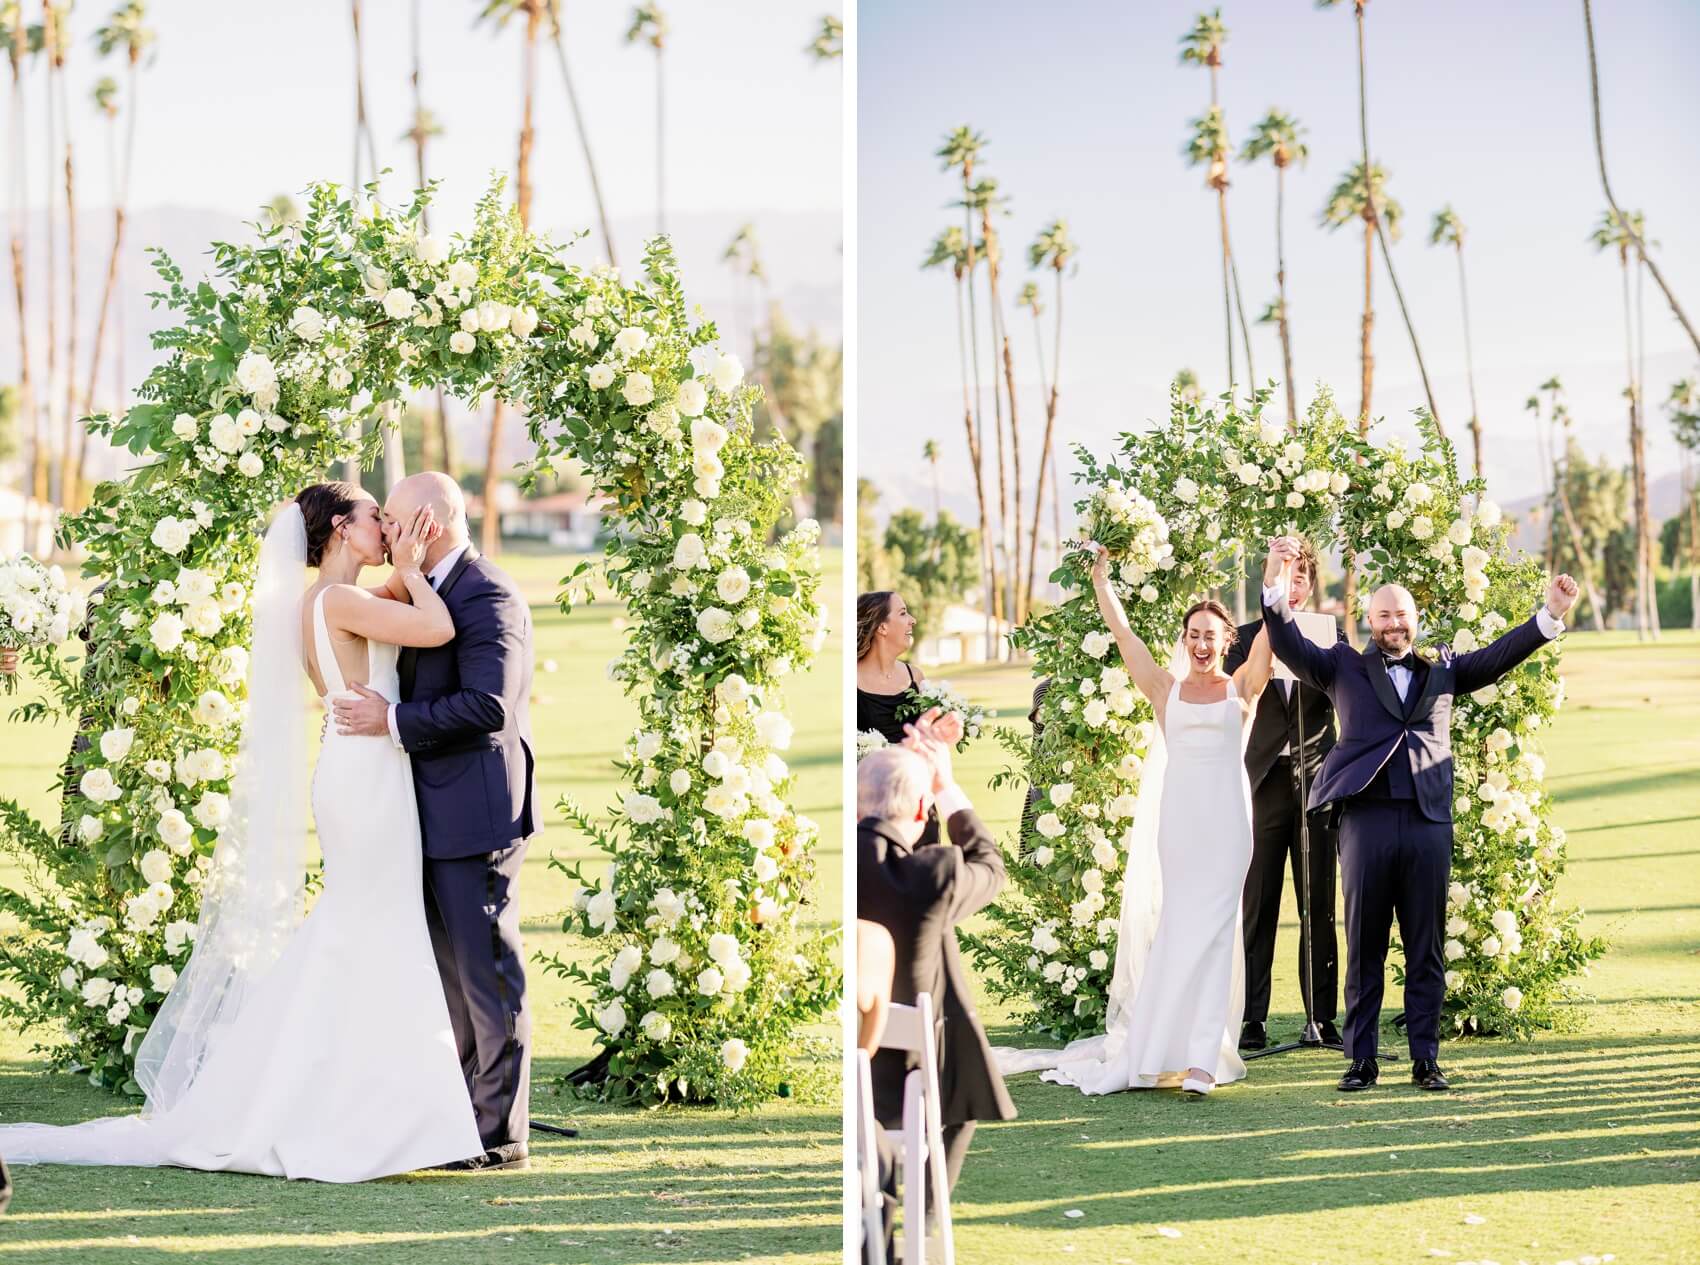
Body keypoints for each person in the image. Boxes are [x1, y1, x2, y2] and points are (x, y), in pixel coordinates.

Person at [0, 481, 484, 1180]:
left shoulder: (322, 601)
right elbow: (438, 628)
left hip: (359, 772)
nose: (388, 526)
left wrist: (413, 569)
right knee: (373, 924)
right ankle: (377, 1110)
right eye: (377, 517)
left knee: (360, 928)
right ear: (343, 531)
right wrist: (412, 569)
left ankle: (373, 1101)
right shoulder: (343, 599)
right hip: (369, 779)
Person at [1259, 536, 1579, 1092]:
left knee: (1425, 944)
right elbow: (1286, 640)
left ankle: (1426, 1060)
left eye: (1402, 615)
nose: (1393, 624)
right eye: (1383, 615)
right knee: (1365, 944)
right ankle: (1361, 1061)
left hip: (1429, 822)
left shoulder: (1443, 673)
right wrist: (1274, 575)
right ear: (1369, 619)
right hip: (1366, 822)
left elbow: (1497, 658)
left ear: (1415, 620)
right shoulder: (1341, 667)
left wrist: (1548, 616)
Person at [1005, 543, 1276, 1097]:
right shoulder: (1164, 690)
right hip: (1179, 827)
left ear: (1229, 641)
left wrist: (1279, 574)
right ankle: (1155, 1053)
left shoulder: (1244, 687)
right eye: (1194, 634)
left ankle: (1202, 1059)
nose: (1202, 644)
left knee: (1218, 936)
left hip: (1228, 827)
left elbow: (1274, 632)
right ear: (1185, 641)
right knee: (1178, 930)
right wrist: (1102, 584)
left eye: (1212, 635)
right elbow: (1126, 639)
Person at [330, 471, 540, 1169]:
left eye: (392, 519)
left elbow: (490, 707)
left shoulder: (490, 594)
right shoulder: (424, 589)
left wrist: (389, 719)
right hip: (421, 814)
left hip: (476, 812)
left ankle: (500, 1134)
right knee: (452, 978)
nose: (385, 532)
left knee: (488, 973)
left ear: (428, 522)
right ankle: (463, 1116)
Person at [857, 711, 1015, 1229]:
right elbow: (990, 866)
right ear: (924, 809)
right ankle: (924, 1215)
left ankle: (879, 1211)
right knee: (962, 1087)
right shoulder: (934, 875)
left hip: (853, 1076)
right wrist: (948, 784)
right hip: (908, 1079)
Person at [1223, 537, 1344, 1052]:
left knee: (1319, 904)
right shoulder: (1243, 639)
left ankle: (1322, 1017)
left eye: (1301, 579)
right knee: (1259, 902)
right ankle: (1252, 1017)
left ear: (1310, 587)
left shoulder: (1329, 639)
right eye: (1284, 575)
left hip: (1318, 784)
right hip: (1262, 784)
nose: (1292, 587)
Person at [856, 590, 940, 846]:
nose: (912, 620)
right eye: (903, 613)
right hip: (872, 812)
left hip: (920, 806)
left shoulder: (916, 677)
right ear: (881, 626)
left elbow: (932, 743)